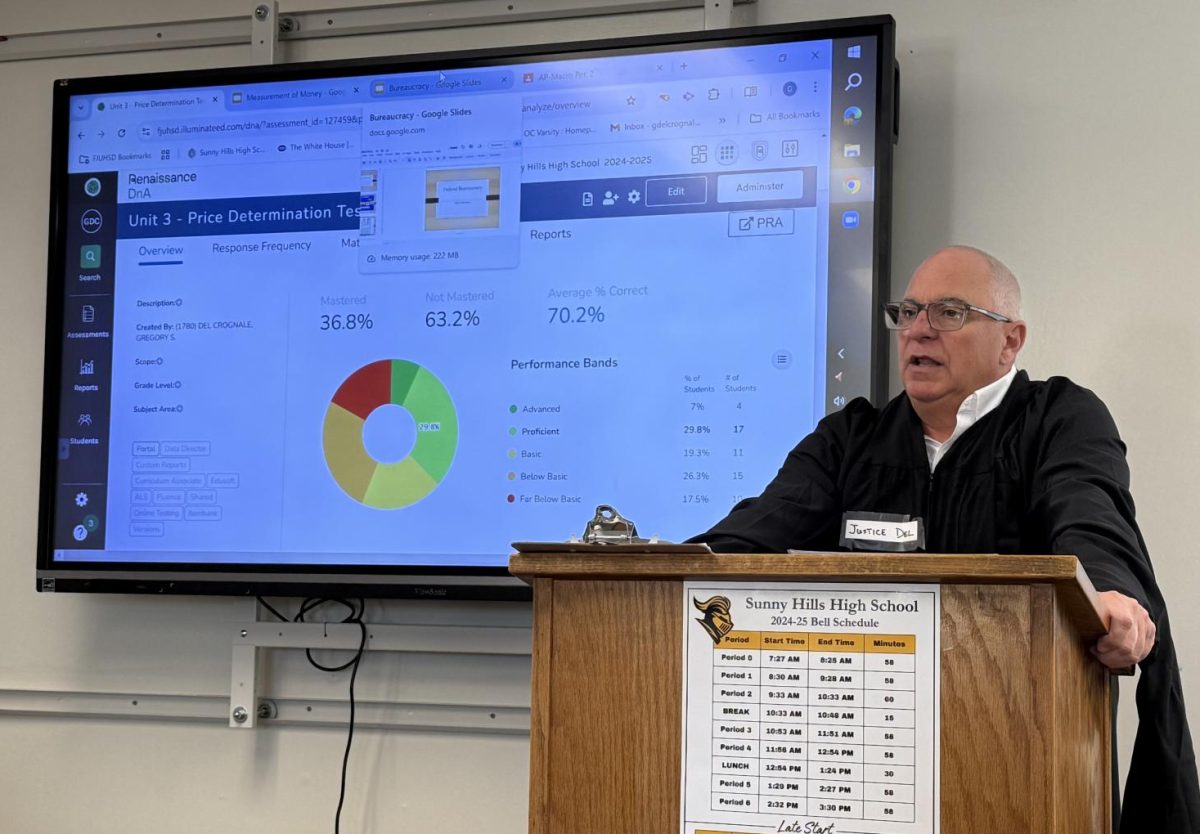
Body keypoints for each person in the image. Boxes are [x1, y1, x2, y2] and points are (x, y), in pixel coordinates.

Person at [691, 245, 1199, 832]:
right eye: (907, 313)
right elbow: (755, 529)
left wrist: (1111, 595)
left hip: (1017, 749)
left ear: (1011, 340)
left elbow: (1089, 515)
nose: (919, 332)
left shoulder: (1058, 419)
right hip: (867, 761)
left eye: (949, 312)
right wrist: (657, 573)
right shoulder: (852, 438)